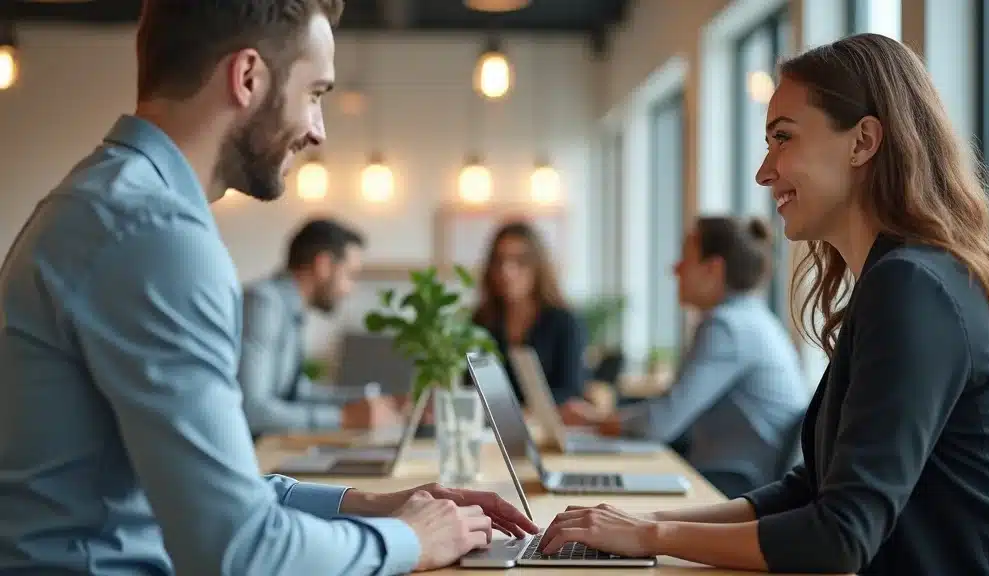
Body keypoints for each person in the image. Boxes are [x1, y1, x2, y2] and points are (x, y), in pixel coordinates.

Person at [0, 2, 537, 574]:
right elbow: (239, 551)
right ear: (248, 78)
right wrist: (405, 541)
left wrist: (375, 505)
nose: (317, 131)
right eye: (315, 94)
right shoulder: (154, 236)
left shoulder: (112, 203)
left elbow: (213, 492)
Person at [537, 33, 989, 575]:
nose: (764, 172)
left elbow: (838, 539)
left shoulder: (914, 286)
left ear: (863, 142)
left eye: (783, 139)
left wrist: (654, 534)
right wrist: (643, 526)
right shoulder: (899, 279)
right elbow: (807, 490)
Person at [596, 216, 809, 498]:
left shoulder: (727, 326)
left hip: (735, 485)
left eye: (685, 258)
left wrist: (598, 421)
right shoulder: (752, 318)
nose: (675, 269)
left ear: (713, 269)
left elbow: (661, 423)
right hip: (745, 479)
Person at [240, 217, 401, 439]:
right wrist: (344, 418)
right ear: (323, 265)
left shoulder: (287, 308)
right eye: (350, 275)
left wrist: (373, 401)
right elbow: (253, 411)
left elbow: (295, 392)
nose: (350, 290)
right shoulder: (264, 304)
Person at [472, 221, 597, 425]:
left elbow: (571, 392)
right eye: (499, 261)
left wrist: (523, 411)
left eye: (519, 261)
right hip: (491, 431)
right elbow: (469, 387)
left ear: (538, 267)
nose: (507, 271)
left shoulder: (565, 323)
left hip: (549, 430)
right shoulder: (480, 322)